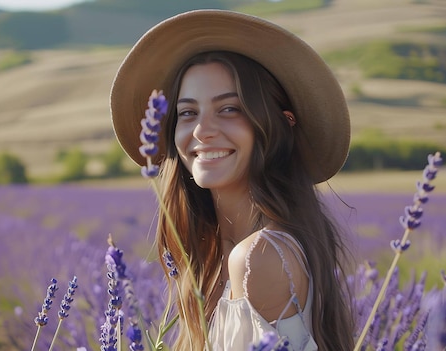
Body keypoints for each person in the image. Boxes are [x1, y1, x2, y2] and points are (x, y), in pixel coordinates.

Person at [110, 9, 354, 351]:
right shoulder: (216, 254)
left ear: (280, 123)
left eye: (229, 109)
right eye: (188, 113)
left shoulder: (259, 257)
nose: (201, 130)